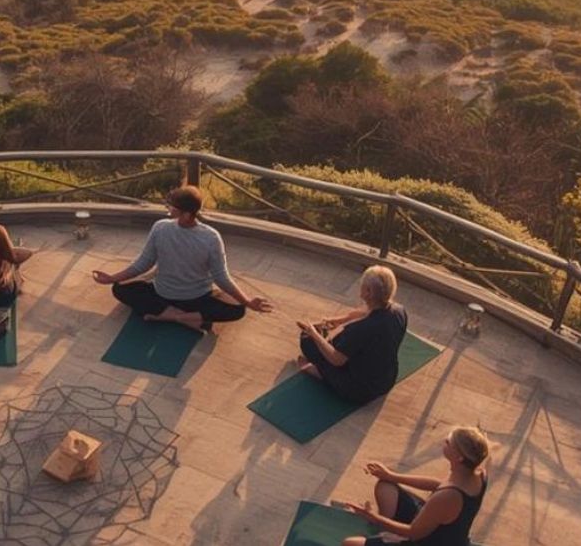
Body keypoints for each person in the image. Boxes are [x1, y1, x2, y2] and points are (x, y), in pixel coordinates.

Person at [91, 185, 272, 332]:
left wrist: (113, 279)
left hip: (162, 296)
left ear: (186, 214)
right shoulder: (211, 237)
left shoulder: (161, 227)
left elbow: (144, 264)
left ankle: (168, 315)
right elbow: (220, 277)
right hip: (196, 299)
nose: (168, 210)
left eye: (172, 208)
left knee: (120, 289)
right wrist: (247, 302)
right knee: (237, 308)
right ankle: (186, 318)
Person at [340, 426, 490, 546]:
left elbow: (413, 533)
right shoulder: (478, 474)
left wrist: (373, 517)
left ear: (459, 457)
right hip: (432, 525)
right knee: (386, 486)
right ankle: (385, 534)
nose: (444, 440)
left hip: (425, 540)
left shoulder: (447, 497)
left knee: (349, 544)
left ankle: (388, 534)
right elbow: (439, 485)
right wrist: (391, 476)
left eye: (448, 442)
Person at [295, 265, 407, 404]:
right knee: (345, 346)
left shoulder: (361, 329)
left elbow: (336, 359)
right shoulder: (399, 311)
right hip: (386, 380)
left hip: (359, 390)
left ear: (368, 292)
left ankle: (318, 372)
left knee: (307, 341)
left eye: (362, 285)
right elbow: (364, 312)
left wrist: (313, 333)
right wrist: (338, 320)